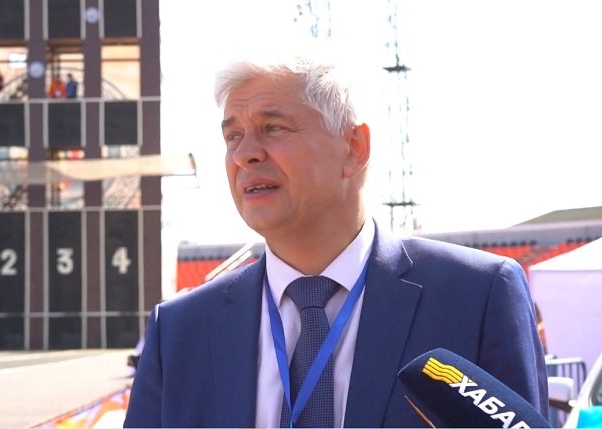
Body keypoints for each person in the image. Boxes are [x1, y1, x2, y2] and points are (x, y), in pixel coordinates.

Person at [124, 46, 548, 428]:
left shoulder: (476, 298)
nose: (244, 154)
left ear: (354, 147)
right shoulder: (178, 331)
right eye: (233, 135)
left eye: (273, 128)